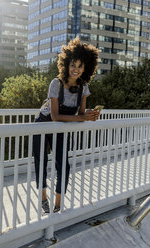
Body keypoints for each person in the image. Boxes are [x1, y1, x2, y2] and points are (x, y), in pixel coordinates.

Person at [33, 37, 100, 214]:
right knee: (41, 161)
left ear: (86, 68)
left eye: (79, 66)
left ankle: (57, 204)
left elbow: (80, 115)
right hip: (43, 123)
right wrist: (82, 117)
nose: (75, 70)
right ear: (66, 64)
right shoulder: (56, 84)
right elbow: (54, 116)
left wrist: (91, 115)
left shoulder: (84, 88)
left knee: (64, 165)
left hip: (62, 126)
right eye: (72, 65)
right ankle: (43, 198)